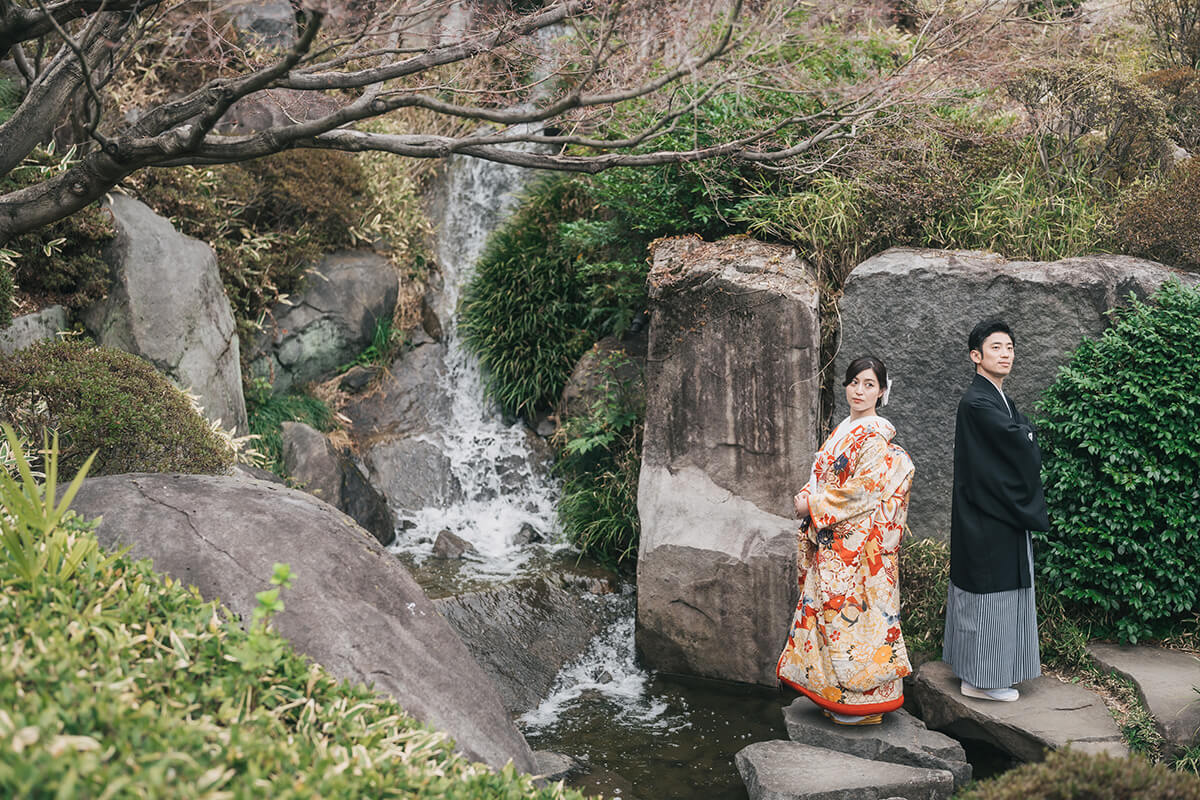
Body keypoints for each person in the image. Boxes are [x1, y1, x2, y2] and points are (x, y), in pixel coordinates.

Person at [777, 355, 915, 726]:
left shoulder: (874, 436)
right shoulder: (845, 429)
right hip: (834, 538)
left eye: (869, 384)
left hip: (855, 546)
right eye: (854, 382)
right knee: (831, 620)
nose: (860, 390)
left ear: (882, 392)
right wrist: (808, 495)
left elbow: (863, 493)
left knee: (854, 624)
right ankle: (834, 697)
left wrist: (813, 505)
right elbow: (824, 476)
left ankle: (861, 703)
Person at [943, 319, 1050, 702]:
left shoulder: (999, 399)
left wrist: (1025, 436)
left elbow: (1021, 438)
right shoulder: (976, 402)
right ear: (976, 356)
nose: (1005, 354)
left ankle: (988, 672)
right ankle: (981, 681)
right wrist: (1028, 436)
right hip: (988, 514)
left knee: (998, 595)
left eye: (1009, 347)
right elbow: (1020, 443)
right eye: (996, 348)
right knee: (990, 595)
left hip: (998, 511)